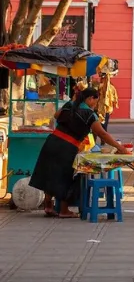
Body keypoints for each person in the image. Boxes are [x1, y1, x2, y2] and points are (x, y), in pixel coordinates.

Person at [30, 87, 127, 218]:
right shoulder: (89, 114)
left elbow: (56, 116)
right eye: (96, 101)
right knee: (65, 177)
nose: (95, 104)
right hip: (67, 146)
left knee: (50, 173)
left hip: (52, 141)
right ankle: (64, 210)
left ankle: (48, 206)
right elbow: (102, 134)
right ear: (90, 98)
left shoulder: (70, 104)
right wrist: (120, 148)